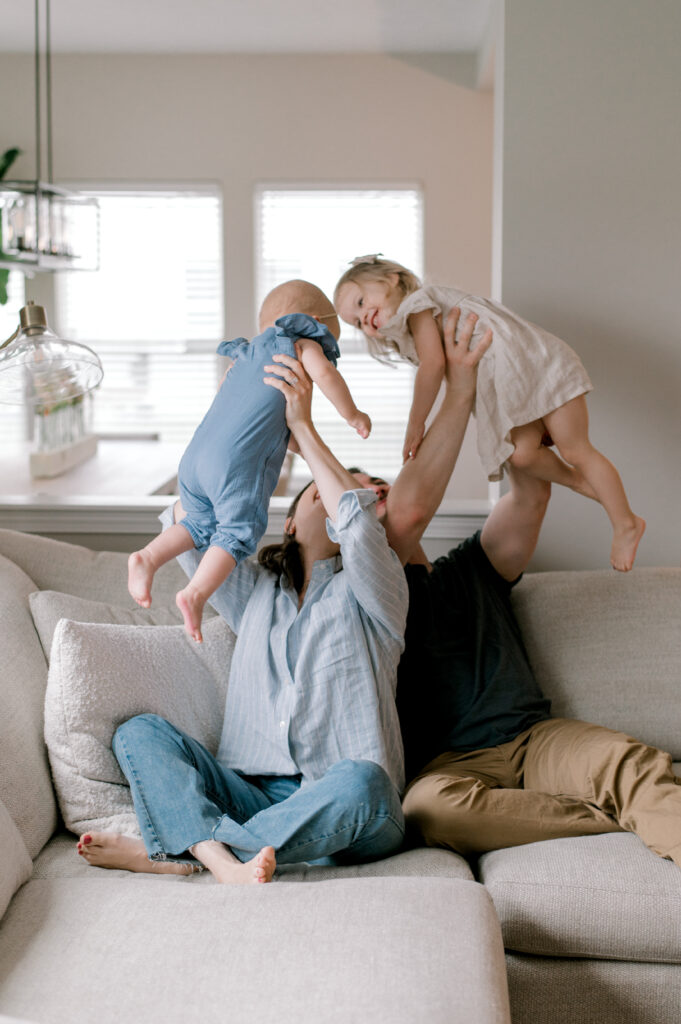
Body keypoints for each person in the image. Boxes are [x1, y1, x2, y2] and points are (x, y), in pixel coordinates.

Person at [78, 304, 454, 884]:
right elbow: (186, 525)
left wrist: (304, 426)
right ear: (292, 526)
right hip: (252, 795)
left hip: (350, 807)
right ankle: (220, 854)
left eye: (354, 491)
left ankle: (183, 852)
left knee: (362, 780)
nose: (342, 499)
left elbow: (355, 524)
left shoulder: (376, 593)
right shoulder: (254, 593)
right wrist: (234, 411)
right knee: (140, 733)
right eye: (322, 495)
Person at [334, 255, 645, 572]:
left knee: (575, 448)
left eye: (360, 302)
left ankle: (625, 524)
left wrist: (417, 424)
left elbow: (434, 366)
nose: (363, 318)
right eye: (356, 322)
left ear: (392, 279)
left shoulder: (417, 305)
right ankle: (583, 483)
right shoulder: (411, 331)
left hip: (541, 368)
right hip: (512, 386)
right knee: (521, 455)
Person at [128, 279, 371, 642]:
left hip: (194, 459)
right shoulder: (298, 343)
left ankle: (148, 557)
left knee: (198, 521)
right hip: (231, 466)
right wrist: (352, 414)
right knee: (236, 531)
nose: (326, 347)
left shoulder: (244, 355)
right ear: (313, 320)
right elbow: (325, 375)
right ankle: (195, 593)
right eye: (328, 338)